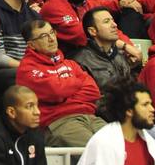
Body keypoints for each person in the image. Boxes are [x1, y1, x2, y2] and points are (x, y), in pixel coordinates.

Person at [17, 16, 105, 146]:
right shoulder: (27, 69)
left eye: (52, 32)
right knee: (98, 151)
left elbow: (93, 91)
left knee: (120, 146)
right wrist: (76, 83)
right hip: (59, 122)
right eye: (43, 36)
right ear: (31, 45)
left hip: (91, 116)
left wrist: (65, 94)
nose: (52, 39)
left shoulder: (70, 63)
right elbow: (55, 91)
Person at [73, 6, 140, 86]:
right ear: (92, 31)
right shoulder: (80, 61)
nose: (114, 25)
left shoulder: (121, 55)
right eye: (106, 21)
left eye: (113, 20)